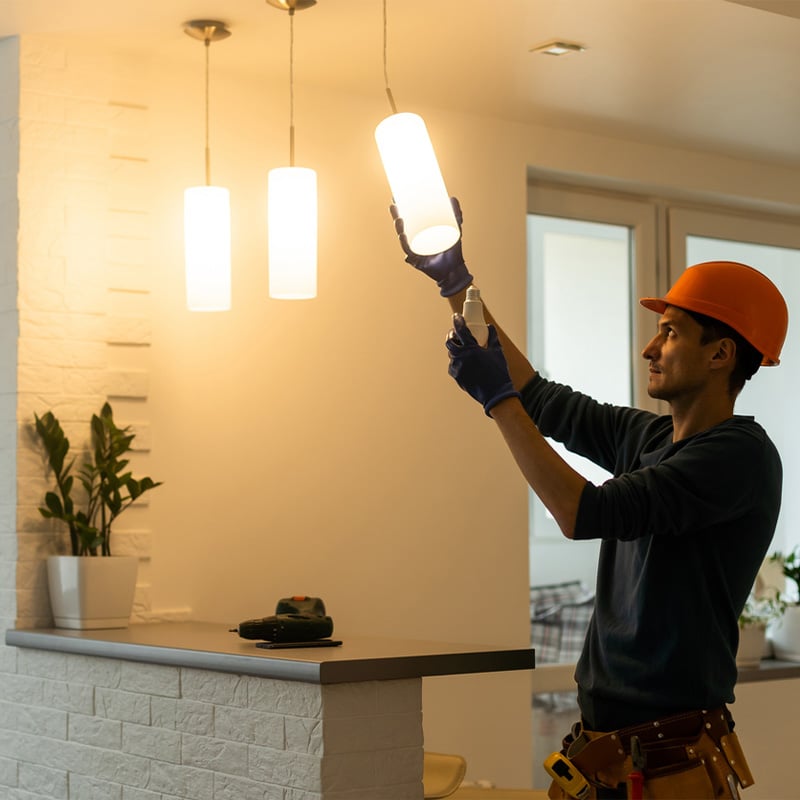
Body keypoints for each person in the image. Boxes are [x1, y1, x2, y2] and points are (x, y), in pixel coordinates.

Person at [390, 199, 789, 800]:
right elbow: (537, 395)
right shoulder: (651, 438)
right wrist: (456, 282)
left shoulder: (739, 457)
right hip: (609, 756)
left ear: (720, 354)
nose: (650, 348)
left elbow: (581, 512)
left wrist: (498, 402)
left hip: (670, 766)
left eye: (670, 331)